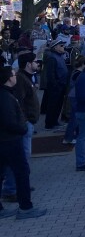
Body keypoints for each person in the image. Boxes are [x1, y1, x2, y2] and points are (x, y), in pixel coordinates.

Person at [0, 65, 47, 220]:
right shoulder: (6, 98)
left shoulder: (6, 94)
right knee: (21, 172)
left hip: (5, 140)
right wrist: (22, 129)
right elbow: (9, 121)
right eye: (13, 75)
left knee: (3, 172)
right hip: (11, 141)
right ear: (9, 78)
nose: (15, 77)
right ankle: (25, 207)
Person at [2, 53, 40, 202]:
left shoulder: (26, 78)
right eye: (35, 61)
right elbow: (19, 104)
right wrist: (24, 122)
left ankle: (19, 186)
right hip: (22, 125)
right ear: (28, 64)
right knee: (19, 160)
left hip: (25, 123)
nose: (38, 63)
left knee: (23, 159)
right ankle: (12, 189)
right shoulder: (21, 80)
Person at [42, 39, 69, 130]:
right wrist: (55, 85)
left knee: (58, 105)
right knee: (53, 105)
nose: (63, 47)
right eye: (61, 46)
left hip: (61, 84)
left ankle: (55, 121)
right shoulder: (52, 58)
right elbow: (51, 74)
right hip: (56, 86)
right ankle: (49, 124)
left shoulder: (59, 56)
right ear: (55, 47)